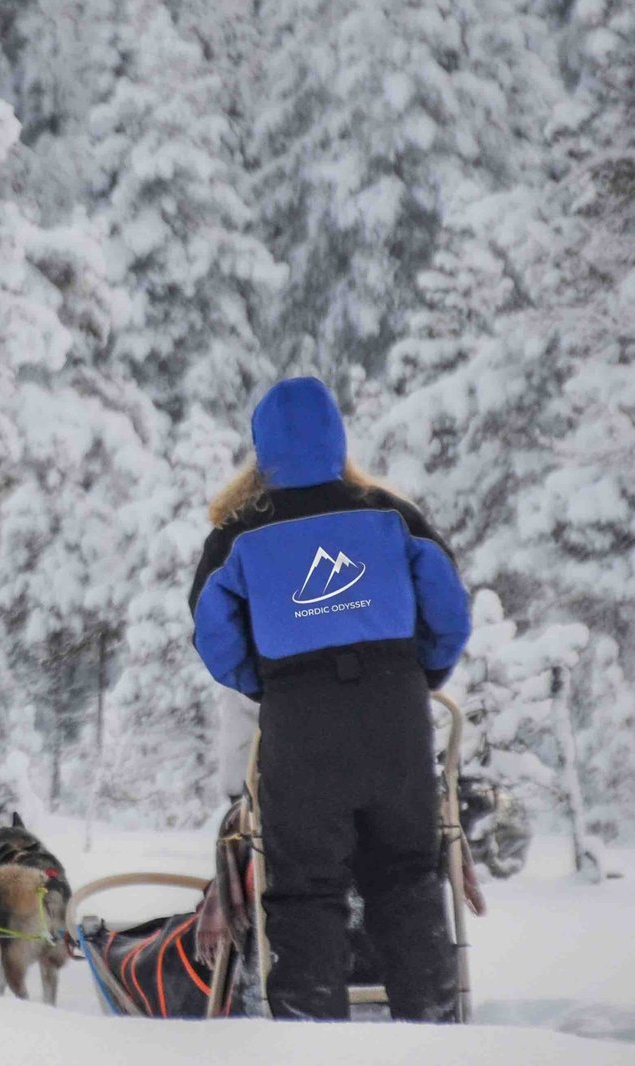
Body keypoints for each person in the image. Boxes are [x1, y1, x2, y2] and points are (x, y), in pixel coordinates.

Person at [188, 376, 471, 1022]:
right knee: (407, 880)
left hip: (301, 720)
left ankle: (311, 1041)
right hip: (395, 713)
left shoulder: (240, 534)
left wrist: (266, 681)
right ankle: (438, 1038)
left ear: (263, 453)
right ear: (337, 440)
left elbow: (211, 630)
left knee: (305, 894)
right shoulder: (391, 514)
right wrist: (415, 672)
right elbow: (450, 609)